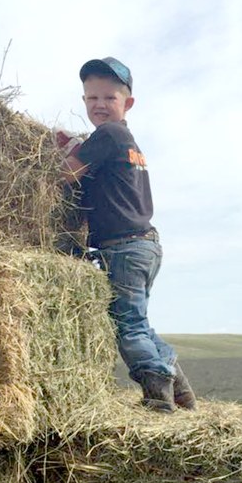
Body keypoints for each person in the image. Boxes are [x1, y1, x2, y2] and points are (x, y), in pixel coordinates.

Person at [54, 56, 196, 413]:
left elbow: (66, 175)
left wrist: (52, 157)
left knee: (127, 326)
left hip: (124, 249)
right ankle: (181, 390)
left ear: (127, 103)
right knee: (139, 321)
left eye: (109, 98)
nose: (99, 105)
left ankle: (158, 397)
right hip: (144, 245)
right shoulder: (125, 140)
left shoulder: (109, 134)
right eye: (91, 98)